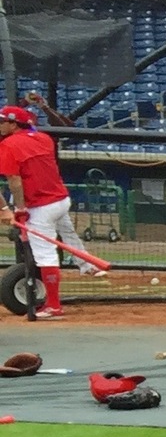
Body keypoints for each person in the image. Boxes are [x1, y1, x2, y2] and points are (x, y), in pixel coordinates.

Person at [0, 103, 73, 319]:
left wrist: (19, 208)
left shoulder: (9, 144)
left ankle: (53, 305)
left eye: (3, 122)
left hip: (41, 205)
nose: (1, 125)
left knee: (45, 254)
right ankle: (87, 264)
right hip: (61, 199)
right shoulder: (43, 138)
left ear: (14, 124)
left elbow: (14, 180)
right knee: (64, 239)